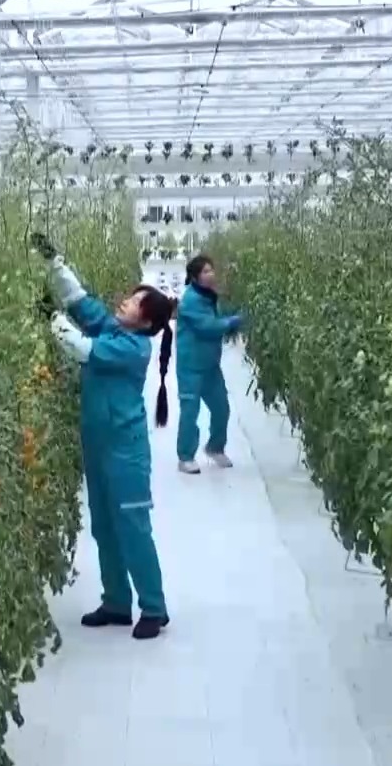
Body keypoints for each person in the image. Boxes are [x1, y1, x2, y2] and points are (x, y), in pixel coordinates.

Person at [43, 250, 178, 639]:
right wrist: (55, 264)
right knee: (104, 527)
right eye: (130, 296)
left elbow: (81, 348)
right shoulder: (113, 330)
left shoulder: (134, 348)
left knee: (133, 528)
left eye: (135, 302)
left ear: (146, 321)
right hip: (99, 445)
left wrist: (53, 319)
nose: (125, 301)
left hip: (125, 452)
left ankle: (154, 608)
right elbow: (81, 302)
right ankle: (117, 602)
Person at [172, 254, 244, 475]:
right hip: (191, 367)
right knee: (190, 411)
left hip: (210, 366)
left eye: (211, 269)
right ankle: (185, 457)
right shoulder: (191, 300)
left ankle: (215, 447)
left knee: (221, 407)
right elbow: (207, 327)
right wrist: (231, 323)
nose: (211, 274)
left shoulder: (208, 296)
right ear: (195, 277)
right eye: (205, 271)